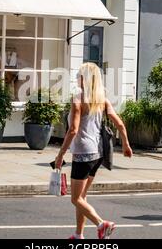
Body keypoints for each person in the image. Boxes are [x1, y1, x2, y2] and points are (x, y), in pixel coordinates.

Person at [55, 62, 133, 239]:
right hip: (97, 154)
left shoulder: (78, 99)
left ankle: (101, 224)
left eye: (79, 75)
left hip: (83, 154)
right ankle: (78, 235)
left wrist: (60, 155)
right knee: (82, 196)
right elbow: (119, 123)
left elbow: (73, 130)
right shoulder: (101, 99)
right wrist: (126, 144)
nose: (76, 78)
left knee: (75, 199)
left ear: (85, 78)